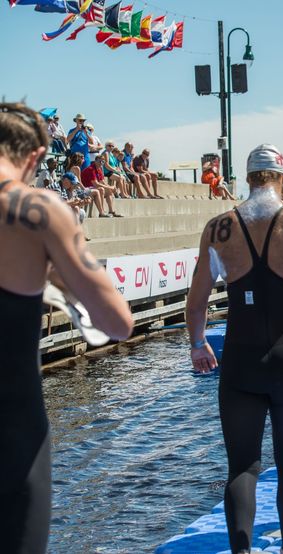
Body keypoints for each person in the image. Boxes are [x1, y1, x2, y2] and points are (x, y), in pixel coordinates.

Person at [186, 144, 283, 554]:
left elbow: (197, 297)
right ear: (281, 178)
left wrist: (198, 343)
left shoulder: (219, 227)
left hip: (240, 362)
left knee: (242, 466)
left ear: (248, 177)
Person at [0, 102, 133, 554]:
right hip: (11, 423)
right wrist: (58, 274)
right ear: (37, 157)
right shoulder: (37, 208)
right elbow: (118, 322)